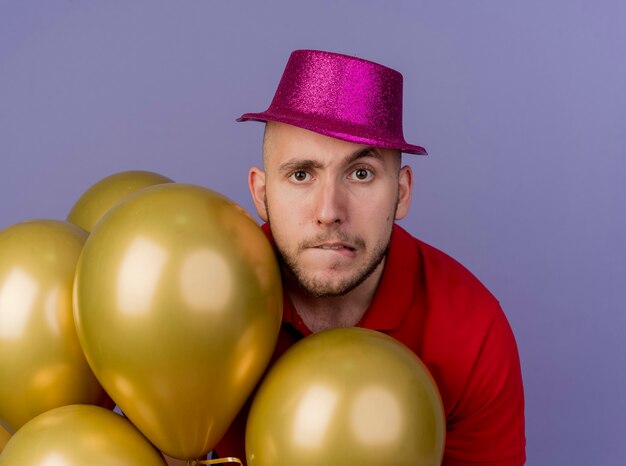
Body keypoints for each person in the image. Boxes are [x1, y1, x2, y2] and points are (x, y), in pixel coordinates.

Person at [209, 49, 525, 465]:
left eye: (361, 174)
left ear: (402, 192)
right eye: (301, 175)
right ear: (261, 194)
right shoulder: (204, 297)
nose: (329, 211)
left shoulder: (472, 331)